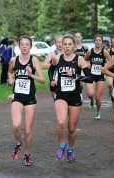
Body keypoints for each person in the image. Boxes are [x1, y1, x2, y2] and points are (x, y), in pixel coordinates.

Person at [49, 34, 93, 162]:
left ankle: (70, 149)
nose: (67, 47)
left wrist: (75, 75)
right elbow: (51, 70)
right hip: (61, 94)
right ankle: (62, 146)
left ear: (74, 46)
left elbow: (90, 78)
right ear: (61, 45)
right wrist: (52, 80)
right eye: (65, 44)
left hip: (75, 95)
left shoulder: (79, 60)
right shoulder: (57, 58)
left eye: (70, 44)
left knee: (72, 128)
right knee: (61, 122)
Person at [8, 35, 45, 166]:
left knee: (28, 130)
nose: (24, 46)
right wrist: (10, 79)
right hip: (17, 96)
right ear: (19, 46)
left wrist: (30, 74)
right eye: (22, 44)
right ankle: (18, 144)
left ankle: (27, 154)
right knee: (16, 125)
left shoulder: (34, 60)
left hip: (30, 97)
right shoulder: (14, 60)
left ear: (30, 46)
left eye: (27, 44)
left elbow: (42, 80)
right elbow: (9, 73)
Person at [84, 34, 111, 119]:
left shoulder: (105, 52)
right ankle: (91, 100)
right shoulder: (90, 52)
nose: (98, 42)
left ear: (102, 42)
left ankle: (98, 112)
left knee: (98, 97)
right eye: (96, 40)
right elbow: (82, 60)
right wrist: (87, 66)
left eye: (99, 40)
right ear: (94, 41)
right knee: (90, 94)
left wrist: (105, 67)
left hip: (100, 76)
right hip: (91, 76)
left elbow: (111, 63)